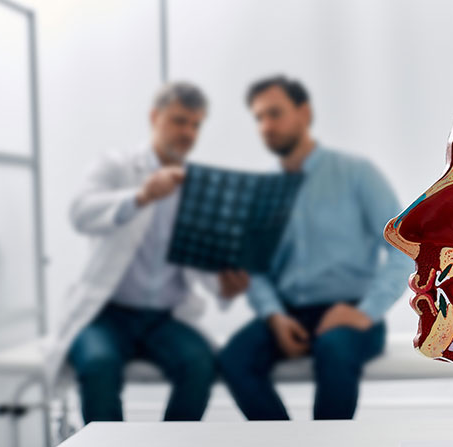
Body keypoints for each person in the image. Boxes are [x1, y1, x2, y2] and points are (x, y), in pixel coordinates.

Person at [46, 82, 249, 423]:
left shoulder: (195, 188)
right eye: (179, 120)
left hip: (164, 319)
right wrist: (140, 196)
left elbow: (202, 265)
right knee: (98, 366)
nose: (188, 132)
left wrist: (225, 289)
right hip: (105, 314)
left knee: (200, 364)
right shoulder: (115, 166)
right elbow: (79, 213)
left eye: (195, 125)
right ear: (155, 117)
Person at [219, 75, 412, 420]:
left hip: (351, 310)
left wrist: (365, 311)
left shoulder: (356, 173)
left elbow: (404, 247)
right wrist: (274, 316)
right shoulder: (264, 193)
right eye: (259, 118)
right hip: (289, 312)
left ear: (304, 113)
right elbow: (256, 268)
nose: (266, 126)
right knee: (234, 359)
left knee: (335, 349)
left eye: (274, 114)